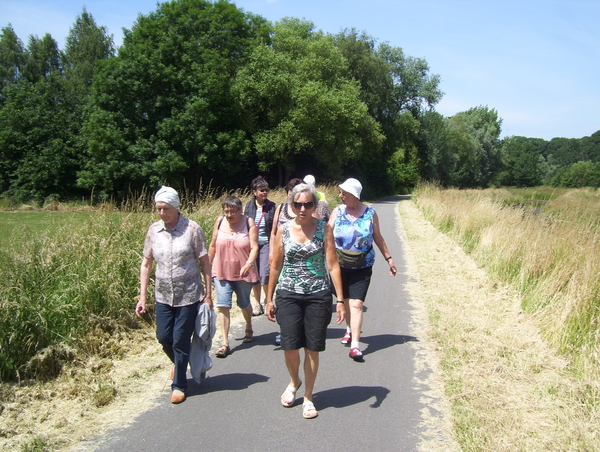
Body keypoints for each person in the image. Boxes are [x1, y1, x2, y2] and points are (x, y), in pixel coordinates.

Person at [266, 183, 345, 419]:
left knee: (312, 348)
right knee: (289, 346)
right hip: (288, 293)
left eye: (307, 204)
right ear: (291, 206)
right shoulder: (283, 229)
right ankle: (294, 381)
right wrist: (269, 298)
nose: (302, 209)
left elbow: (332, 264)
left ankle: (309, 397)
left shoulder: (324, 229)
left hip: (318, 294)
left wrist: (340, 299)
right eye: (297, 204)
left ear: (314, 205)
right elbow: (276, 265)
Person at [136, 186, 212, 404]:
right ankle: (180, 362)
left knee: (180, 340)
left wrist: (208, 294)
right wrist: (142, 297)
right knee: (163, 337)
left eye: (165, 209)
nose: (161, 213)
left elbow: (204, 262)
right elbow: (146, 263)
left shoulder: (192, 229)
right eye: (158, 209)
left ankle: (179, 384)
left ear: (176, 207)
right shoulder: (153, 231)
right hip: (162, 294)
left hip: (188, 295)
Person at [328, 178, 397, 361]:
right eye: (340, 192)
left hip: (362, 266)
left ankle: (355, 346)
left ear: (354, 195)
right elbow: (326, 233)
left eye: (344, 193)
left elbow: (378, 238)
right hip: (339, 266)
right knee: (346, 301)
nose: (340, 196)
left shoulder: (370, 213)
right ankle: (349, 329)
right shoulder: (337, 211)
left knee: (356, 304)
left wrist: (389, 258)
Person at [209, 195, 259, 358]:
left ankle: (249, 326)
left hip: (242, 270)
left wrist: (249, 263)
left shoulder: (248, 222)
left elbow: (254, 247)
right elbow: (212, 245)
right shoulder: (220, 221)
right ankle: (225, 343)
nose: (229, 215)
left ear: (240, 210)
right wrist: (207, 267)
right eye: (226, 211)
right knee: (223, 305)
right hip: (221, 269)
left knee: (244, 302)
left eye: (232, 212)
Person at [269, 177, 303, 345]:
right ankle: (283, 329)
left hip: (300, 260)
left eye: (295, 192)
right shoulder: (281, 208)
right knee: (281, 292)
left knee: (297, 292)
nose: (292, 195)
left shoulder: (306, 209)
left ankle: (299, 326)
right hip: (281, 256)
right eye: (290, 192)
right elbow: (274, 232)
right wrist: (271, 252)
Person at [244, 176, 276, 316]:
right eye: (262, 190)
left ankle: (267, 300)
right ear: (254, 192)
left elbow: (274, 228)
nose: (265, 192)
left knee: (264, 274)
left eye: (266, 190)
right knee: (254, 276)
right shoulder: (248, 206)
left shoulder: (272, 207)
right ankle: (257, 303)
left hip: (265, 244)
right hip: (251, 245)